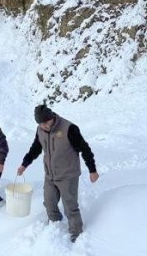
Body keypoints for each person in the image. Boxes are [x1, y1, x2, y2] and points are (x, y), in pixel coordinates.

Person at [17, 104, 99, 242]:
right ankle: (55, 225)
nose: (43, 126)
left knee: (70, 206)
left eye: (45, 122)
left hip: (68, 175)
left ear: (51, 118)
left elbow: (85, 149)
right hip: (50, 175)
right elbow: (35, 148)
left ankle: (76, 234)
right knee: (49, 203)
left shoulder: (69, 128)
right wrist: (24, 164)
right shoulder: (40, 130)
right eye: (40, 123)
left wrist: (92, 170)